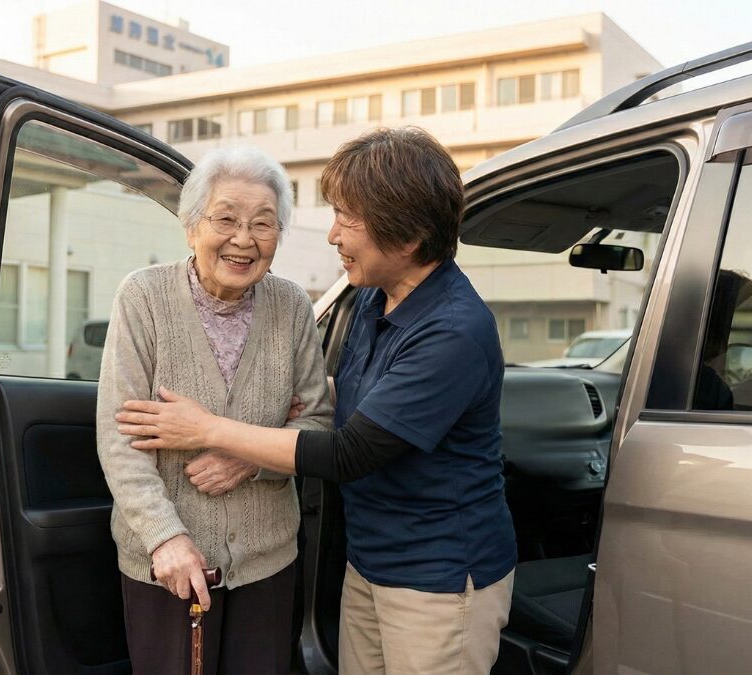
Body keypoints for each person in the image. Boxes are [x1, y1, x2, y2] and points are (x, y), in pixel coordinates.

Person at [116, 127, 517, 674]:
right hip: (370, 562)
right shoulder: (375, 297)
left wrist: (215, 433)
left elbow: (346, 449)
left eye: (347, 219)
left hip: (437, 575)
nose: (332, 236)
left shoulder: (452, 331)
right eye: (225, 219)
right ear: (191, 227)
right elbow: (337, 399)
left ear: (405, 236)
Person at [96, 145, 333, 675]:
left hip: (267, 560)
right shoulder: (144, 297)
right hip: (168, 566)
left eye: (263, 223)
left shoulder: (292, 304)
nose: (243, 239)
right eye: (225, 219)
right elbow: (120, 438)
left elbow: (316, 421)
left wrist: (249, 457)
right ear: (191, 226)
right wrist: (165, 538)